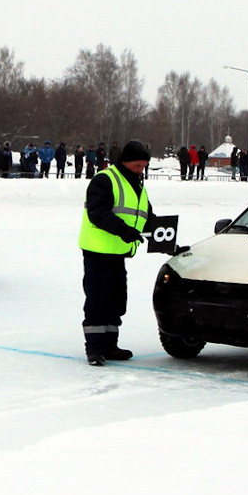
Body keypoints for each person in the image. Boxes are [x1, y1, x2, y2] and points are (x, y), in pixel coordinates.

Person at [79, 140, 155, 366]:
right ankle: (95, 350)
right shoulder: (105, 179)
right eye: (137, 166)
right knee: (98, 301)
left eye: (144, 166)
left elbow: (147, 217)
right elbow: (98, 213)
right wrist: (124, 231)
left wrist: (167, 240)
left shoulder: (138, 184)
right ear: (125, 162)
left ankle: (110, 346)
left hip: (119, 253)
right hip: (98, 252)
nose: (141, 170)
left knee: (116, 301)